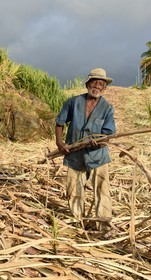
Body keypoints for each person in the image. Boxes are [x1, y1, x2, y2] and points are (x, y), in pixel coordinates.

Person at [55, 68, 116, 231]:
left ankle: (103, 226)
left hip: (98, 156)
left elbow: (109, 134)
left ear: (104, 88)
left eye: (101, 84)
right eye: (94, 82)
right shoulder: (73, 102)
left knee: (102, 191)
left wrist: (100, 142)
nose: (97, 86)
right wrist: (59, 143)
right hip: (74, 154)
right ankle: (78, 222)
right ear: (88, 84)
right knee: (74, 189)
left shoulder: (107, 108)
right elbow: (60, 123)